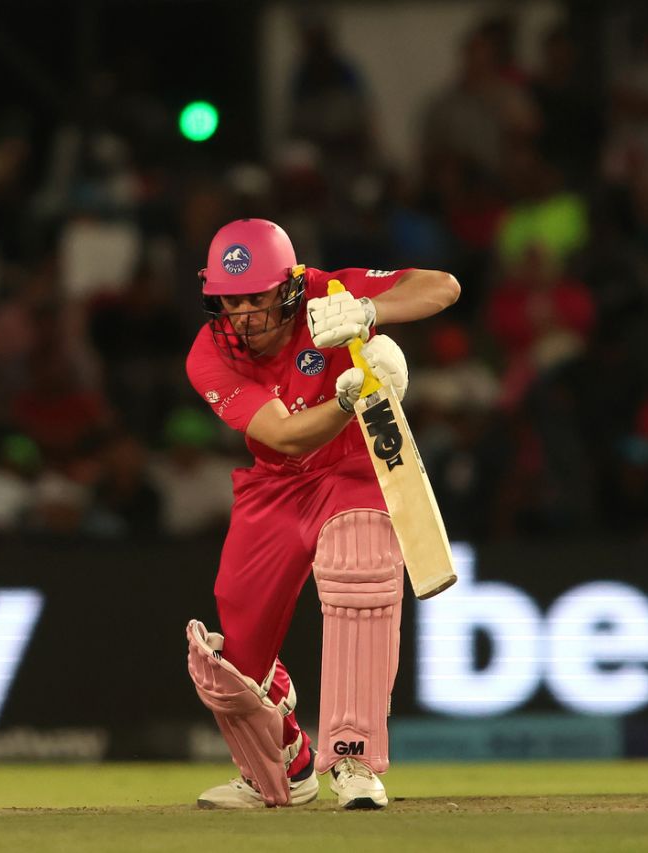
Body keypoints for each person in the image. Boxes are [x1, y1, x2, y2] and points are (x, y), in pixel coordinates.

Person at [183, 218, 458, 810]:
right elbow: (284, 439)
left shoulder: (329, 293)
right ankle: (285, 764)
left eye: (257, 299)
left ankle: (353, 759)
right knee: (231, 662)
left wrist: (366, 311)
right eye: (231, 302)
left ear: (289, 287)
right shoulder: (208, 355)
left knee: (358, 566)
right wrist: (347, 398)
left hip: (355, 469)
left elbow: (442, 286)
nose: (245, 318)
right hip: (276, 484)